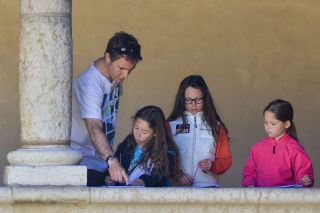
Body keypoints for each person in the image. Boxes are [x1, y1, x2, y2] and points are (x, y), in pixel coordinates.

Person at [71, 31, 142, 186]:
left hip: (99, 160)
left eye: (130, 70)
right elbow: (94, 126)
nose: (125, 75)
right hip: (81, 162)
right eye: (121, 68)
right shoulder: (91, 84)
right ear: (108, 57)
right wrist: (112, 160)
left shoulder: (114, 76)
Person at [167, 75, 232, 187]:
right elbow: (162, 157)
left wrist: (212, 165)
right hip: (177, 187)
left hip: (207, 187)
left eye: (198, 99)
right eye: (188, 100)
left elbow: (225, 159)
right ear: (181, 99)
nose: (193, 105)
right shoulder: (170, 125)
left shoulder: (216, 127)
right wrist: (176, 174)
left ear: (205, 98)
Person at [242, 99, 314, 187]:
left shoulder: (295, 149)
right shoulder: (257, 148)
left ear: (287, 124)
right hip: (260, 199)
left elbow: (304, 176)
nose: (268, 127)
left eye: (273, 124)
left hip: (285, 199)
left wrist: (304, 180)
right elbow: (249, 173)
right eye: (265, 123)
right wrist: (249, 185)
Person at [105, 106, 176, 187]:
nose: (138, 135)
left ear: (156, 133)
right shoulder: (126, 144)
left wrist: (144, 181)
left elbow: (160, 177)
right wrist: (111, 179)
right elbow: (115, 168)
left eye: (144, 132)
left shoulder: (166, 153)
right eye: (136, 128)